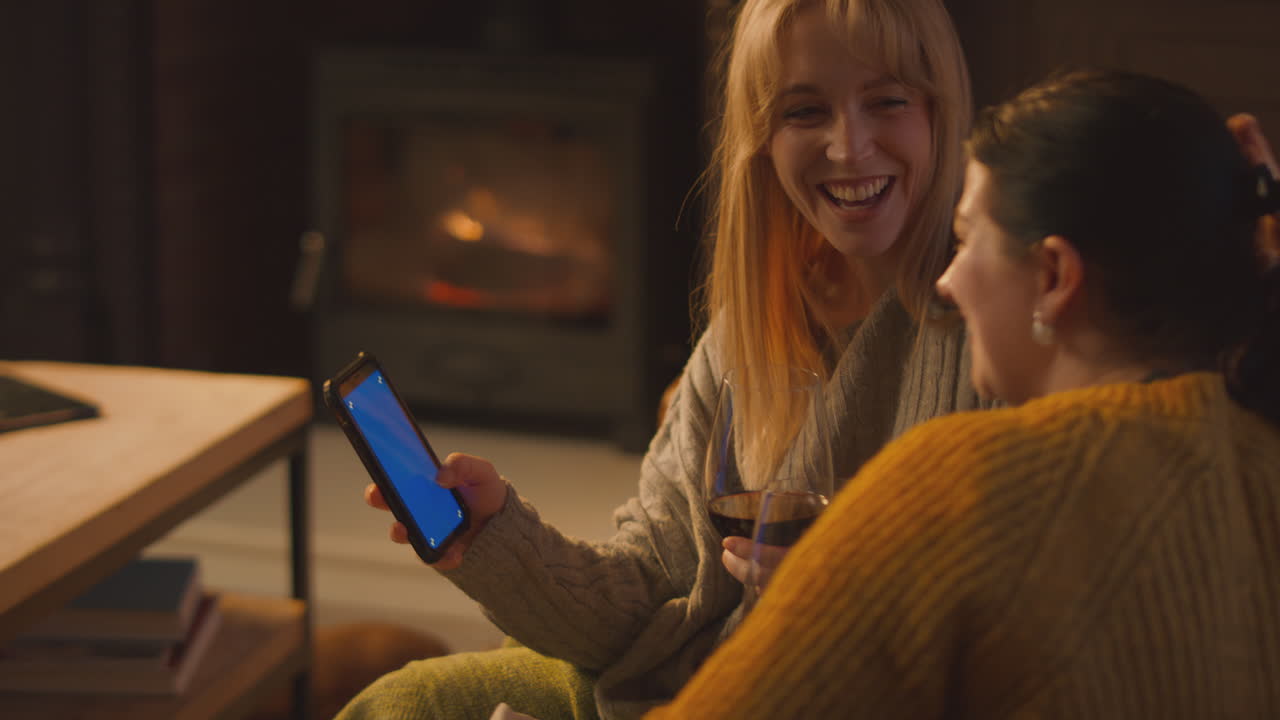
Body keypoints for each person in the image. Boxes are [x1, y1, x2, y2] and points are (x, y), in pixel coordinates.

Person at [334, 1, 980, 718]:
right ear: (762, 139)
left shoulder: (993, 339)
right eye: (804, 112)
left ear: (940, 110)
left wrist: (839, 606)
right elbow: (643, 600)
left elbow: (1011, 632)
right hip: (696, 682)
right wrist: (492, 536)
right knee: (406, 703)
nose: (849, 146)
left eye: (887, 101)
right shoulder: (748, 334)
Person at [645, 68, 1280, 719]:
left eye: (969, 239)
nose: (949, 281)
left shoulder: (961, 482)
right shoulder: (1260, 463)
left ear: (1055, 275)